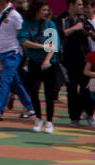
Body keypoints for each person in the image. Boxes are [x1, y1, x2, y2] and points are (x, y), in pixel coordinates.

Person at [0, 0, 35, 121]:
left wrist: (27, 55)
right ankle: (30, 107)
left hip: (13, 52)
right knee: (15, 82)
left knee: (5, 80)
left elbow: (22, 35)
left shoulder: (15, 15)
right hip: (1, 51)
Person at [17, 0, 60, 133]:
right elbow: (24, 41)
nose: (46, 13)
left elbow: (53, 46)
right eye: (43, 10)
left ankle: (49, 121)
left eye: (47, 10)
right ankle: (38, 118)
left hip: (49, 64)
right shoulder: (27, 24)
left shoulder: (49, 24)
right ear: (36, 10)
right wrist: (41, 46)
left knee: (49, 93)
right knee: (33, 90)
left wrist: (46, 60)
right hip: (34, 62)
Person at [56, 0, 94, 128]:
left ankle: (89, 113)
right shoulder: (62, 18)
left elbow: (92, 32)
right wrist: (74, 28)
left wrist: (89, 32)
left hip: (84, 60)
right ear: (71, 5)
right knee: (71, 90)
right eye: (79, 4)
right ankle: (74, 117)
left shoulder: (83, 18)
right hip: (68, 60)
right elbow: (58, 34)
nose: (81, 7)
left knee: (87, 89)